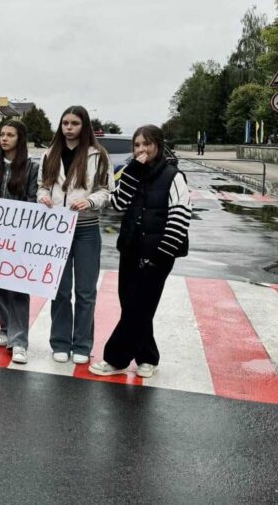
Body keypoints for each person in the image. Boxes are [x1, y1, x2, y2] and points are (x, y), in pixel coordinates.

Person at [90, 125, 191, 378]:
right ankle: (148, 357)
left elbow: (180, 217)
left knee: (139, 307)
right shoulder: (132, 173)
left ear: (158, 145)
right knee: (132, 306)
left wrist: (161, 255)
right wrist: (132, 172)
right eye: (137, 145)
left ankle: (116, 359)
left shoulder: (173, 176)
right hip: (130, 249)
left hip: (159, 253)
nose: (141, 149)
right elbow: (118, 204)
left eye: (147, 144)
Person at [37, 105, 114, 364]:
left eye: (74, 123)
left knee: (85, 291)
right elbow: (42, 186)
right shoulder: (50, 154)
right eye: (65, 123)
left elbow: (106, 190)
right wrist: (43, 197)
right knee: (59, 290)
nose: (69, 128)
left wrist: (90, 201)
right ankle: (60, 342)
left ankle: (82, 344)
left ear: (84, 126)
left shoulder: (98, 155)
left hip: (86, 229)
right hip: (57, 229)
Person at [0, 120, 39, 364]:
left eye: (10, 135)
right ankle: (6, 329)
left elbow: (33, 199)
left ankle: (19, 341)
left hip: (19, 237)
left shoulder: (31, 168)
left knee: (17, 288)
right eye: (2, 134)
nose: (4, 139)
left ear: (20, 139)